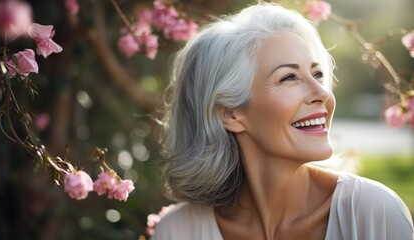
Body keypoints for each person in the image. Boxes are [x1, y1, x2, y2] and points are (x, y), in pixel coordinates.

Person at [153, 2, 414, 240]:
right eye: (289, 77)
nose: (323, 93)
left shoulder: (374, 213)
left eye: (318, 74)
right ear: (231, 114)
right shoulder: (177, 232)